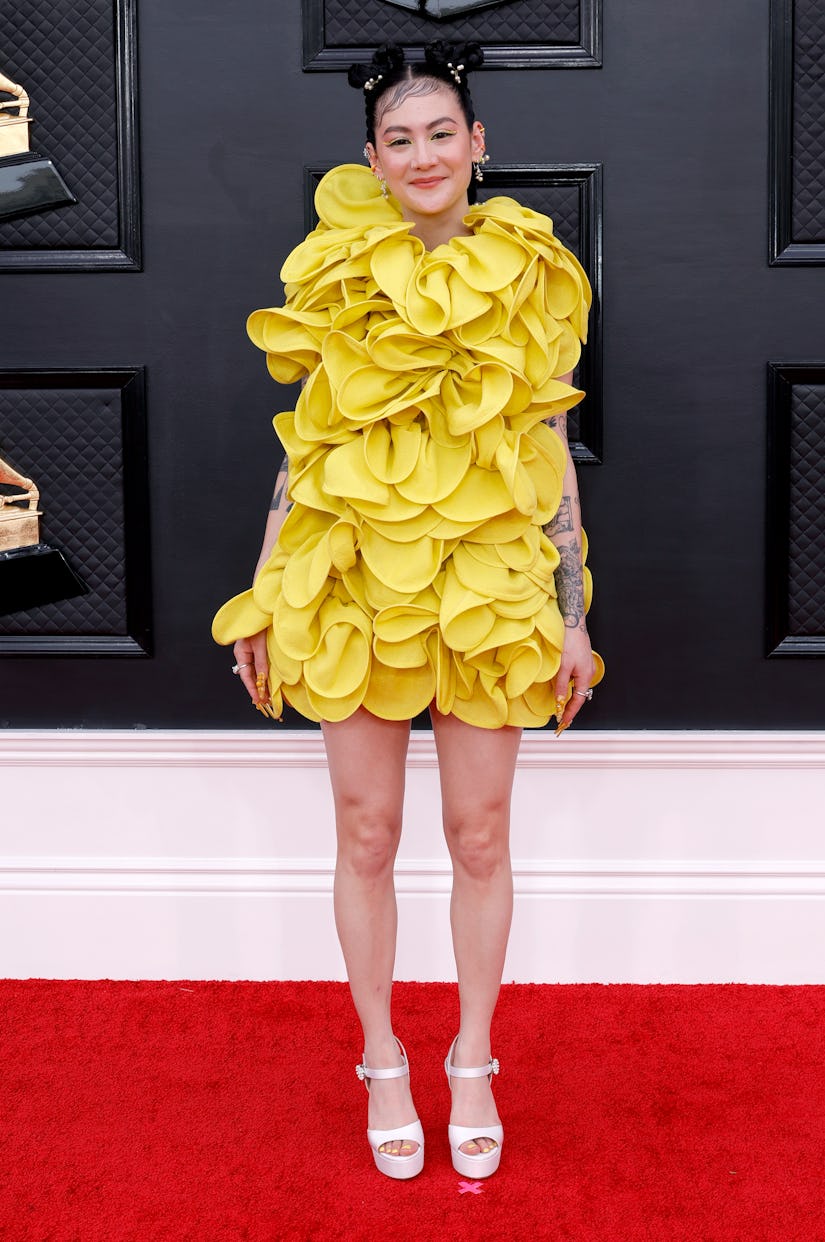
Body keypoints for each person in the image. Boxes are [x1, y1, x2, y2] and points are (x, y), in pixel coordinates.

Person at [213, 39, 603, 1181]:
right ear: (370, 159)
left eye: (443, 133)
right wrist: (264, 595)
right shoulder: (335, 272)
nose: (424, 154)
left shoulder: (534, 270)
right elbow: (307, 451)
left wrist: (572, 610)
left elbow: (551, 444)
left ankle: (471, 1057)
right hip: (354, 576)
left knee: (480, 835)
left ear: (479, 146)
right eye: (400, 139)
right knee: (367, 830)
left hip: (488, 577)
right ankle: (383, 1054)